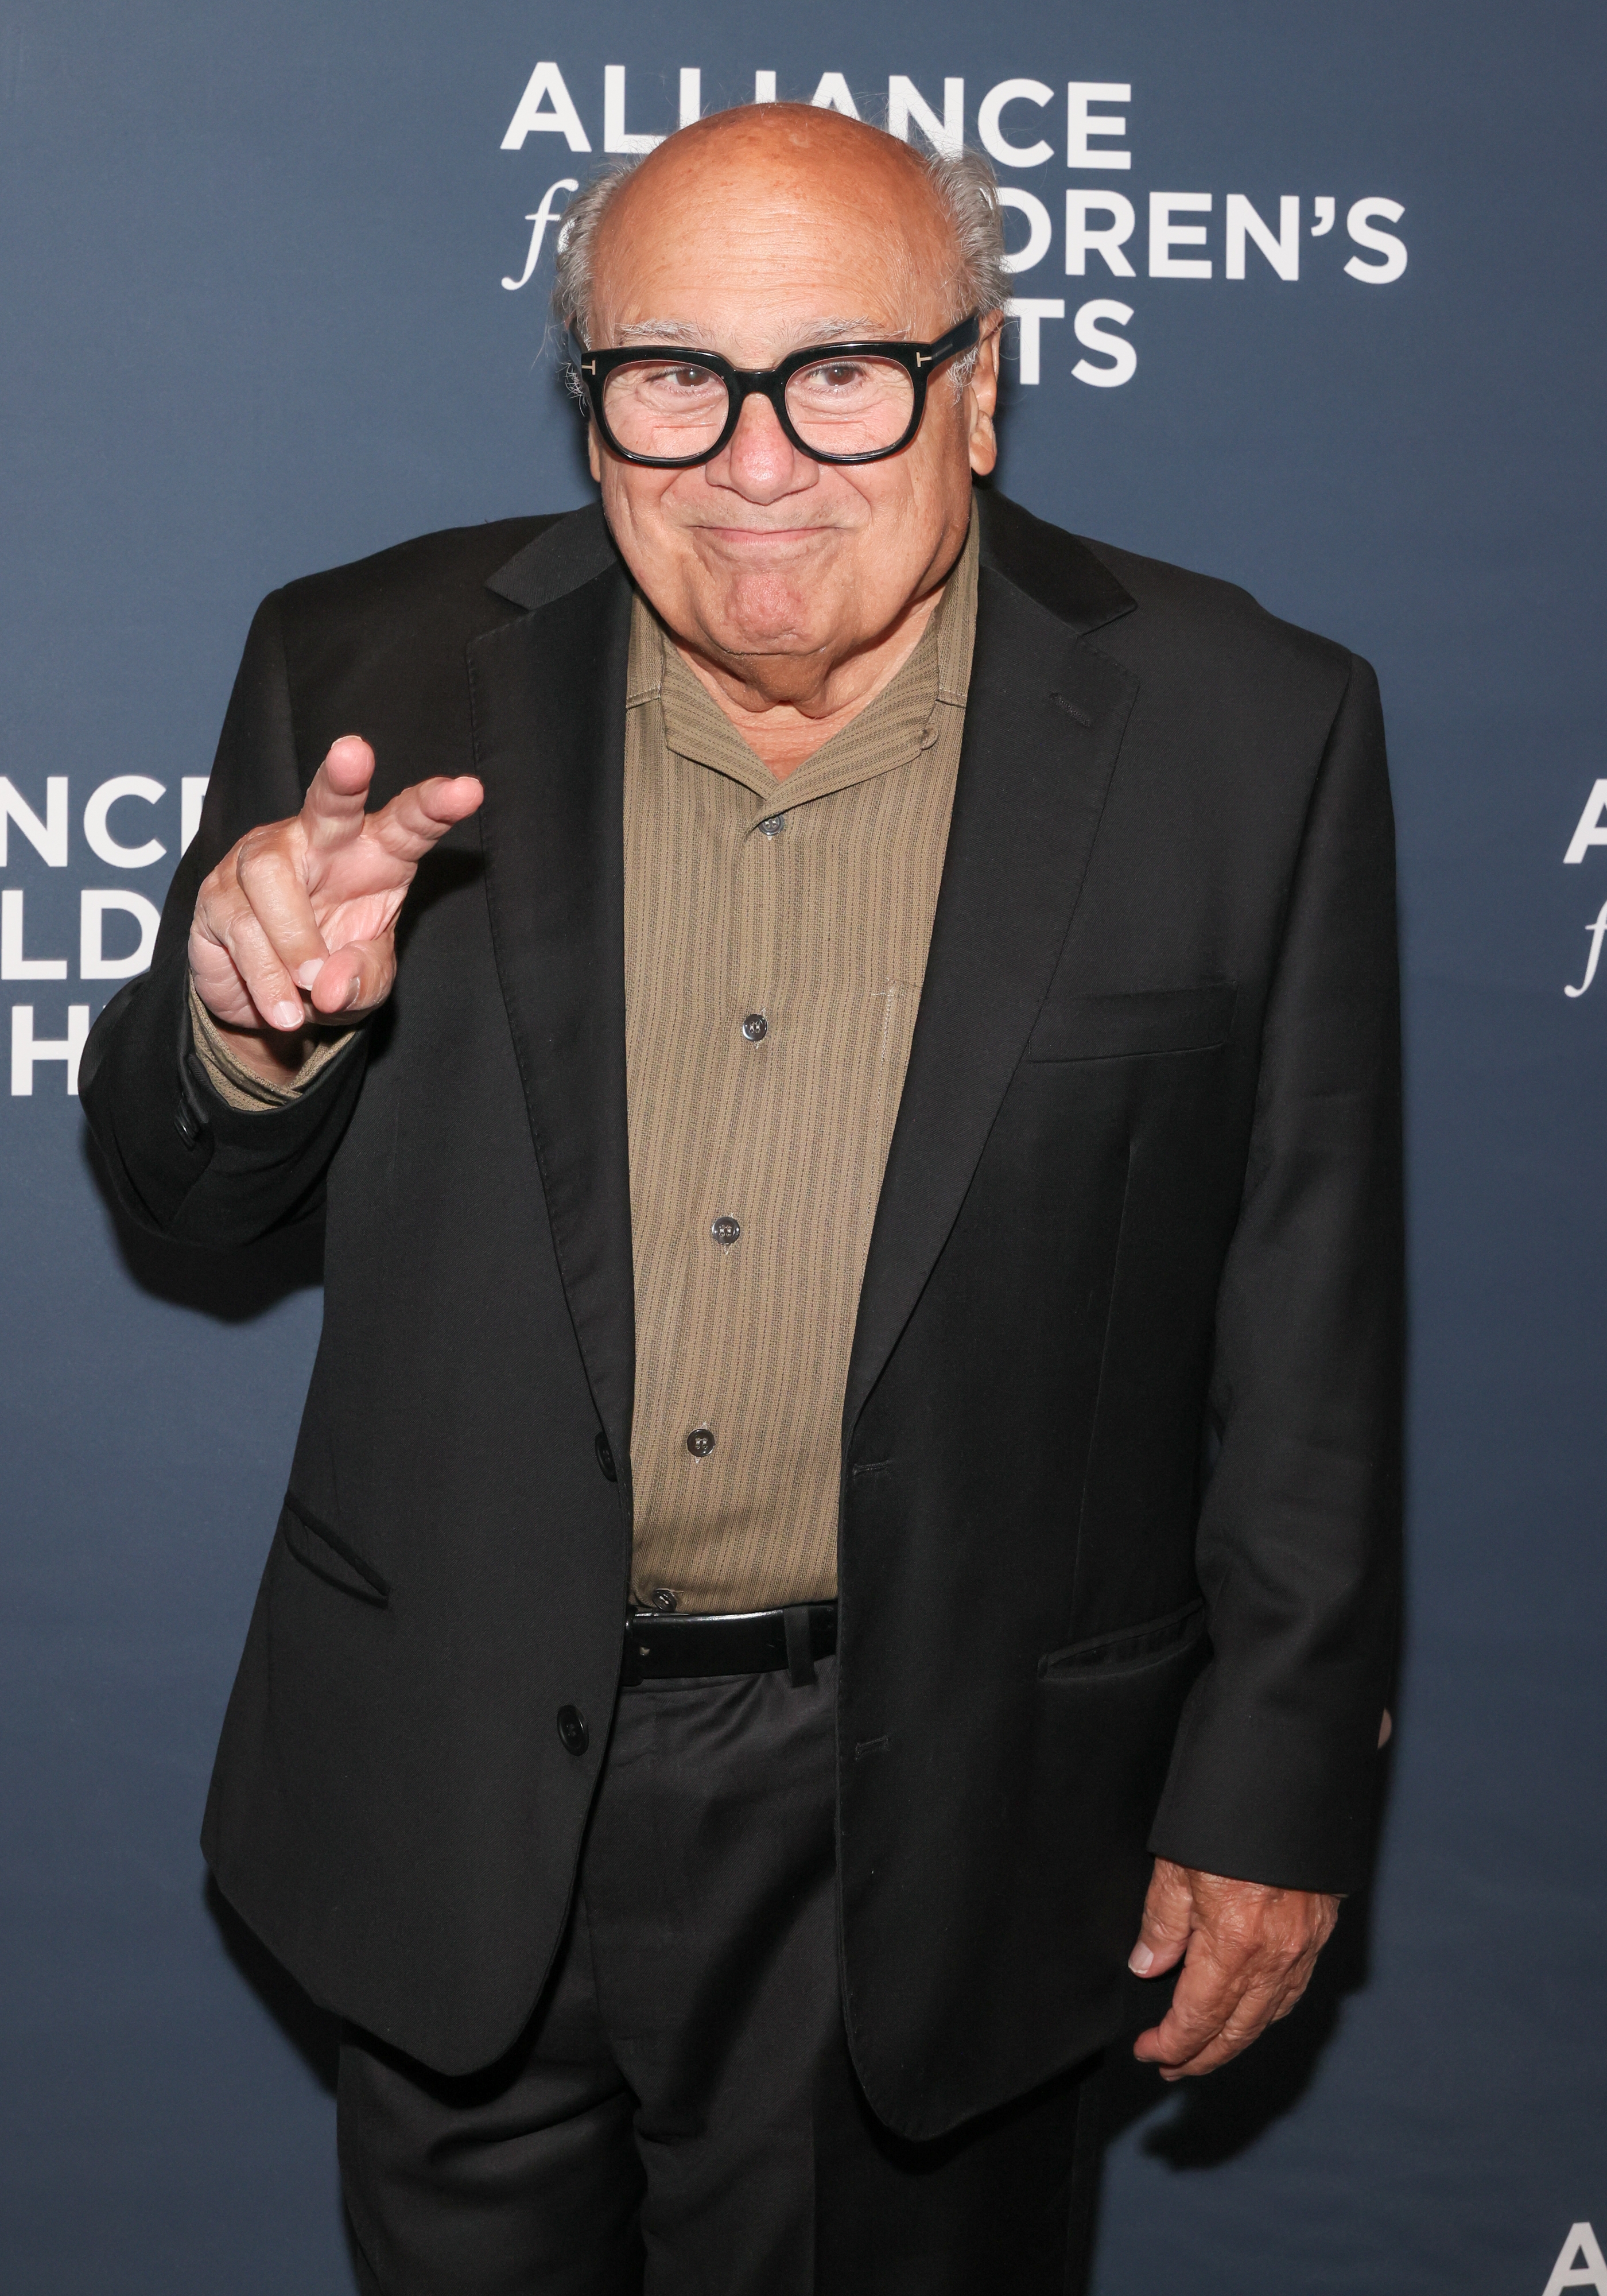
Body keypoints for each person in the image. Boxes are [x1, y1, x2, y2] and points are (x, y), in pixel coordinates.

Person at [81, 102, 1402, 2296]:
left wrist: (1273, 1785)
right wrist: (248, 1031)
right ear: (592, 403)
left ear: (982, 390)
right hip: (455, 1781)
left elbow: (1313, 1319)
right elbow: (174, 1182)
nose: (757, 460)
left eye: (845, 373)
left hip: (950, 1804)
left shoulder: (1248, 732)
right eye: (673, 377)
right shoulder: (370, 667)